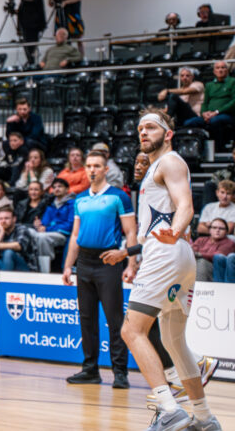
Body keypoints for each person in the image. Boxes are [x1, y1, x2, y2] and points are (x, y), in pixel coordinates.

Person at [109, 110, 223, 430]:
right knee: (174, 341)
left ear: (168, 133)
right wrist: (127, 252)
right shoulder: (153, 169)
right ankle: (203, 417)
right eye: (140, 128)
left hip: (167, 252)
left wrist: (175, 229)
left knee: (131, 330)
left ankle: (168, 408)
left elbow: (186, 204)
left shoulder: (170, 162)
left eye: (150, 127)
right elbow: (151, 229)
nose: (143, 132)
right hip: (175, 255)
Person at [60, 150, 136, 389]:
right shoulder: (80, 199)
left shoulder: (119, 197)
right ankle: (90, 369)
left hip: (109, 261)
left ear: (106, 170)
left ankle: (120, 372)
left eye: (97, 166)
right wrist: (67, 266)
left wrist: (132, 263)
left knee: (114, 319)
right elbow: (75, 235)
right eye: (89, 165)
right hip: (84, 262)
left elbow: (131, 232)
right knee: (87, 319)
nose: (92, 169)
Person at [183, 59, 235, 144]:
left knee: (215, 121)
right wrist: (204, 113)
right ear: (214, 71)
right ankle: (198, 147)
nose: (220, 70)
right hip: (209, 115)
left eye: (223, 67)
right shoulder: (209, 85)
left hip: (227, 115)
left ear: (227, 70)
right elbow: (205, 102)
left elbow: (233, 102)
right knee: (188, 122)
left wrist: (217, 112)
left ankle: (219, 147)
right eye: (217, 68)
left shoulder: (232, 82)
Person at [34, 178, 75, 273]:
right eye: (54, 187)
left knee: (42, 237)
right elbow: (44, 223)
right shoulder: (50, 205)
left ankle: (45, 271)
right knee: (32, 234)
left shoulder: (72, 204)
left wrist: (47, 229)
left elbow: (70, 225)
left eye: (60, 186)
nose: (56, 189)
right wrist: (39, 226)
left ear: (67, 189)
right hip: (50, 234)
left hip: (64, 235)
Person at [16, 0, 46, 65]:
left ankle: (32, 62)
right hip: (24, 26)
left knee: (32, 46)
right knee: (26, 45)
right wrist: (19, 28)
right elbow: (21, 13)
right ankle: (30, 62)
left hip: (34, 26)